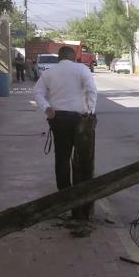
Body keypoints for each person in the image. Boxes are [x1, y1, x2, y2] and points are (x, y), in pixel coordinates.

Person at [34, 46, 98, 220]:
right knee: (82, 158)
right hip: (80, 120)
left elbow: (37, 92)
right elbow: (92, 90)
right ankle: (81, 195)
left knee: (62, 156)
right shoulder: (82, 69)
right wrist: (90, 110)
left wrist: (46, 107)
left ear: (59, 57)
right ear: (74, 57)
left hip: (59, 119)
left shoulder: (49, 73)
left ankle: (64, 194)